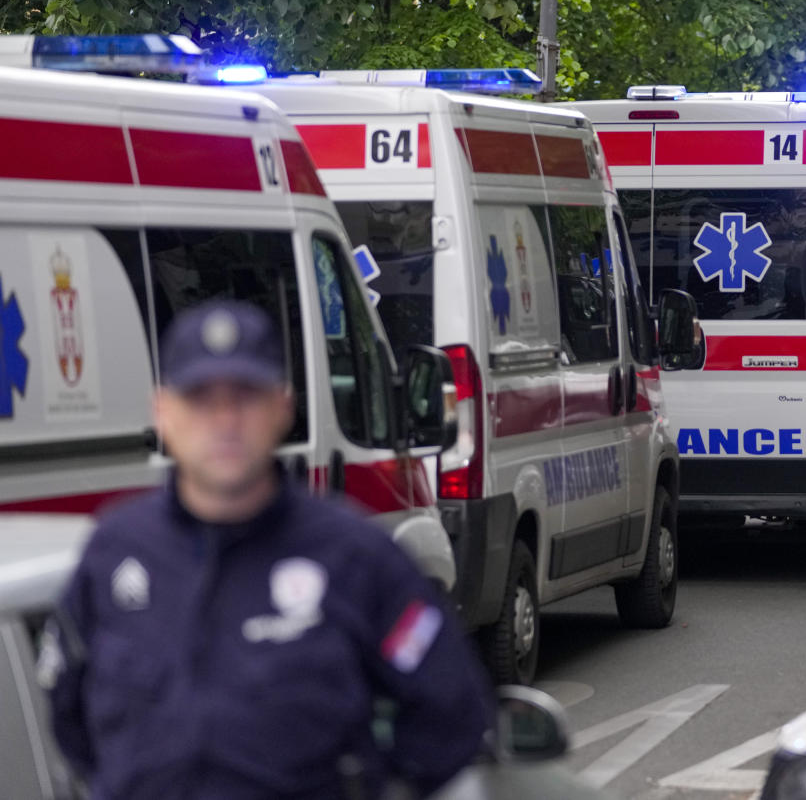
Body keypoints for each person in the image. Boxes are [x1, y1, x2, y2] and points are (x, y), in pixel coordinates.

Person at [41, 301, 494, 799]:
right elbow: (69, 720)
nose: (225, 420)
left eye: (246, 397)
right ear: (163, 413)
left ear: (283, 407)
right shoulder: (115, 553)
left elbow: (450, 715)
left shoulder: (354, 557)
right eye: (200, 399)